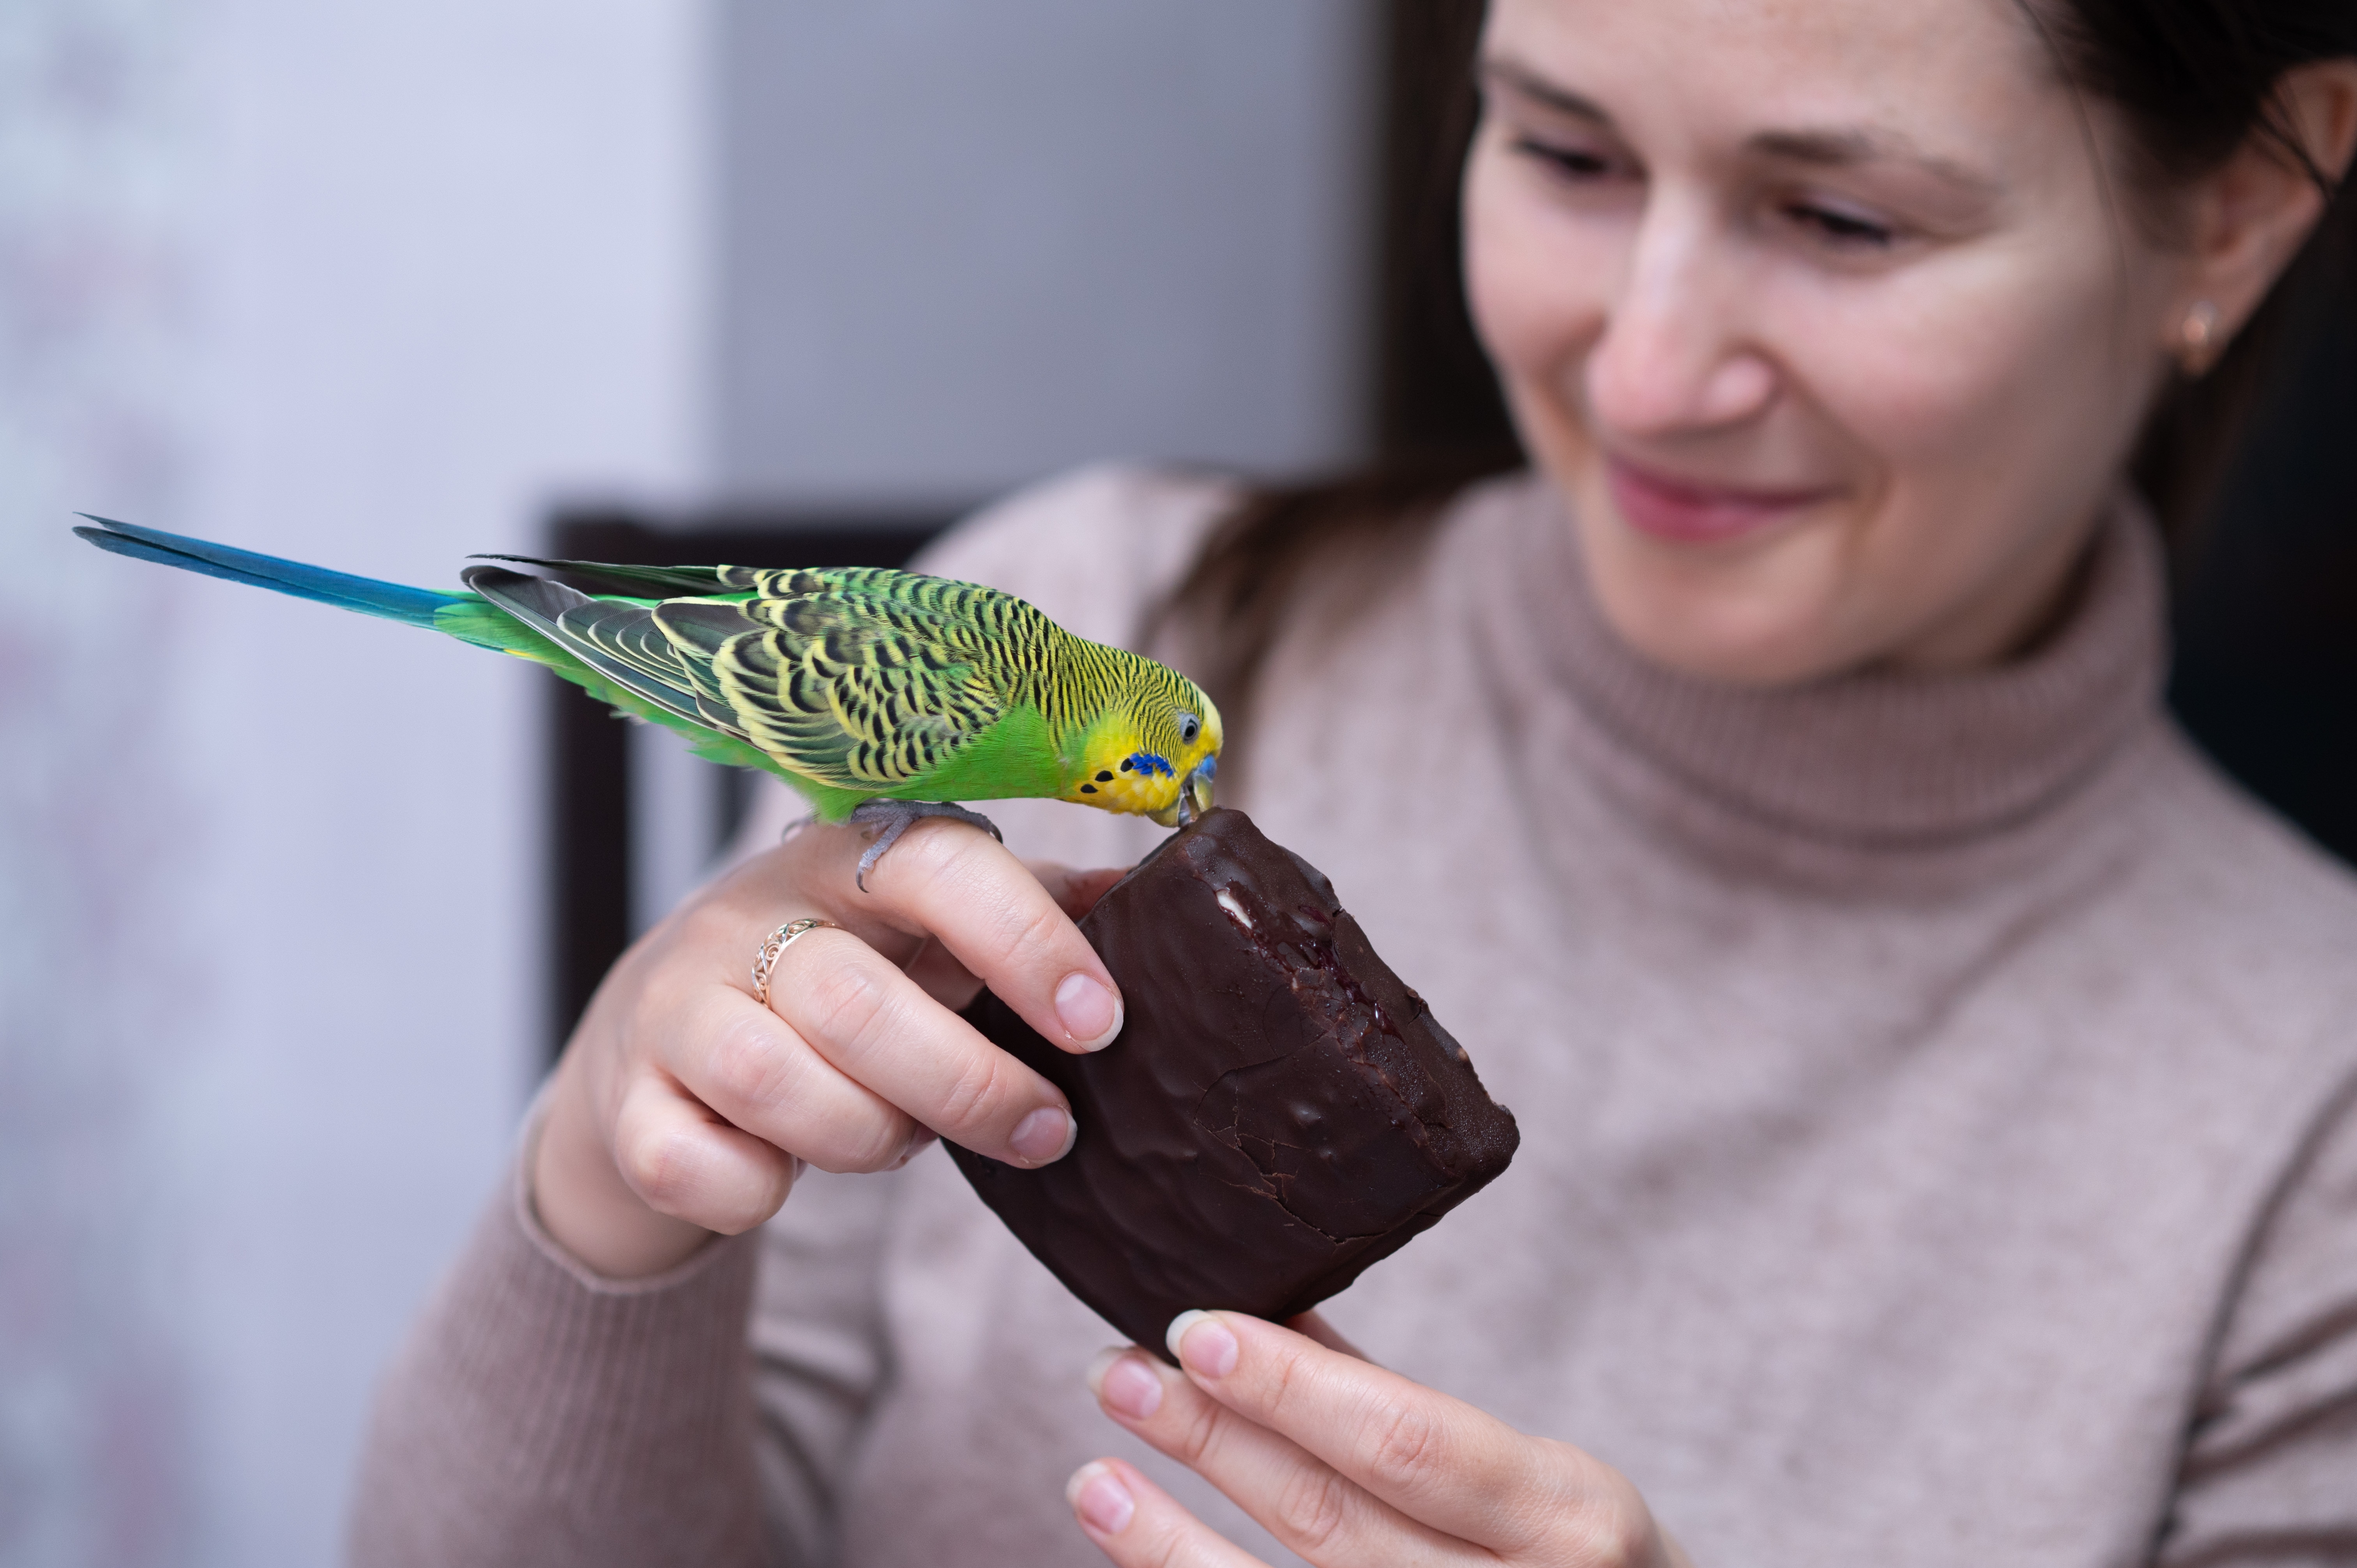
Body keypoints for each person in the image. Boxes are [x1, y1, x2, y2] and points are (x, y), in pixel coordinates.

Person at [348, 0, 2357, 1563]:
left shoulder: (2307, 1126)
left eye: (1840, 216)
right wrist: (612, 1203)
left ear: (2244, 215)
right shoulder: (1088, 606)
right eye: (1565, 149)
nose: (1645, 368)